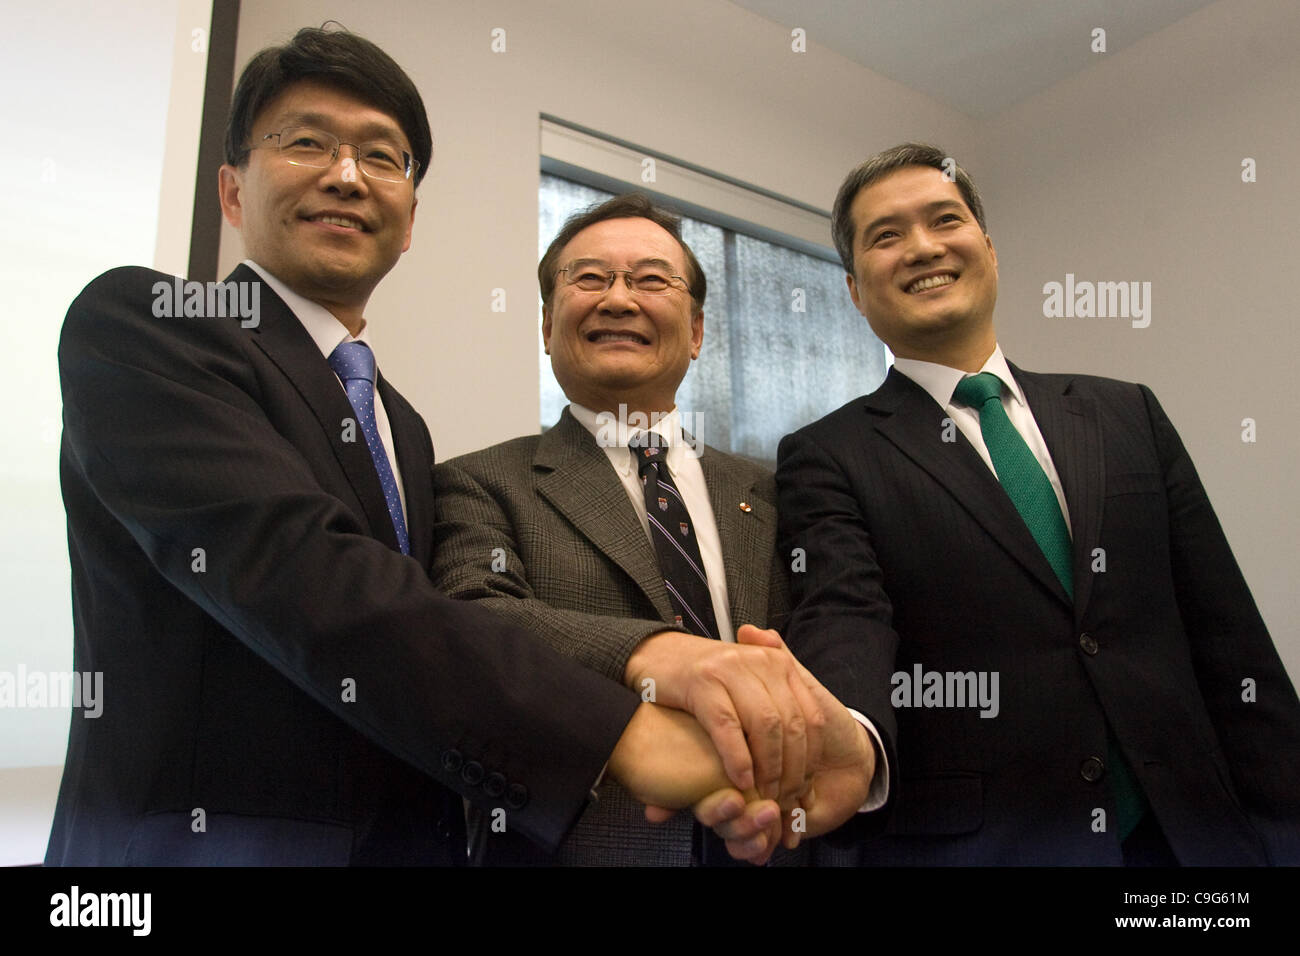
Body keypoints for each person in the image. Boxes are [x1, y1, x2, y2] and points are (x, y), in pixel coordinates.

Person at [46, 27, 766, 867]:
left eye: (381, 157)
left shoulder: (401, 422)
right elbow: (304, 573)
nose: (346, 175)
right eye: (307, 141)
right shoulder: (147, 326)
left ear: (411, 219)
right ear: (232, 190)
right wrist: (621, 734)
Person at [777, 142, 1300, 865]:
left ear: (988, 250)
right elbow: (845, 614)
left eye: (944, 220)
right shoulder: (826, 455)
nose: (922, 247)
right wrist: (852, 729)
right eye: (886, 236)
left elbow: (1227, 634)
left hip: (1193, 838)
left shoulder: (1126, 414)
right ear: (854, 291)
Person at [431, 194, 877, 865]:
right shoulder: (480, 481)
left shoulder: (775, 489)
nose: (617, 299)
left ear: (696, 333)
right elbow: (472, 627)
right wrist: (667, 659)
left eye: (649, 280)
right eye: (588, 278)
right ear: (548, 324)